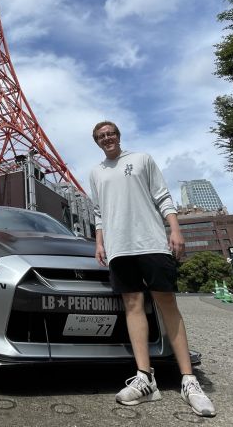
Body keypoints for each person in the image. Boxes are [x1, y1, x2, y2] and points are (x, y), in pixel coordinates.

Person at [89, 121, 216, 417]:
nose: (107, 138)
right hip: (119, 247)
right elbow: (98, 212)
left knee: (167, 304)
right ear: (97, 142)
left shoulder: (141, 159)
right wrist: (100, 243)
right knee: (133, 306)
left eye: (110, 133)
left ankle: (188, 380)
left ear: (118, 136)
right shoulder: (96, 172)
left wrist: (175, 230)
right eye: (101, 136)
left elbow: (162, 196)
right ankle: (145, 378)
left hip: (151, 242)